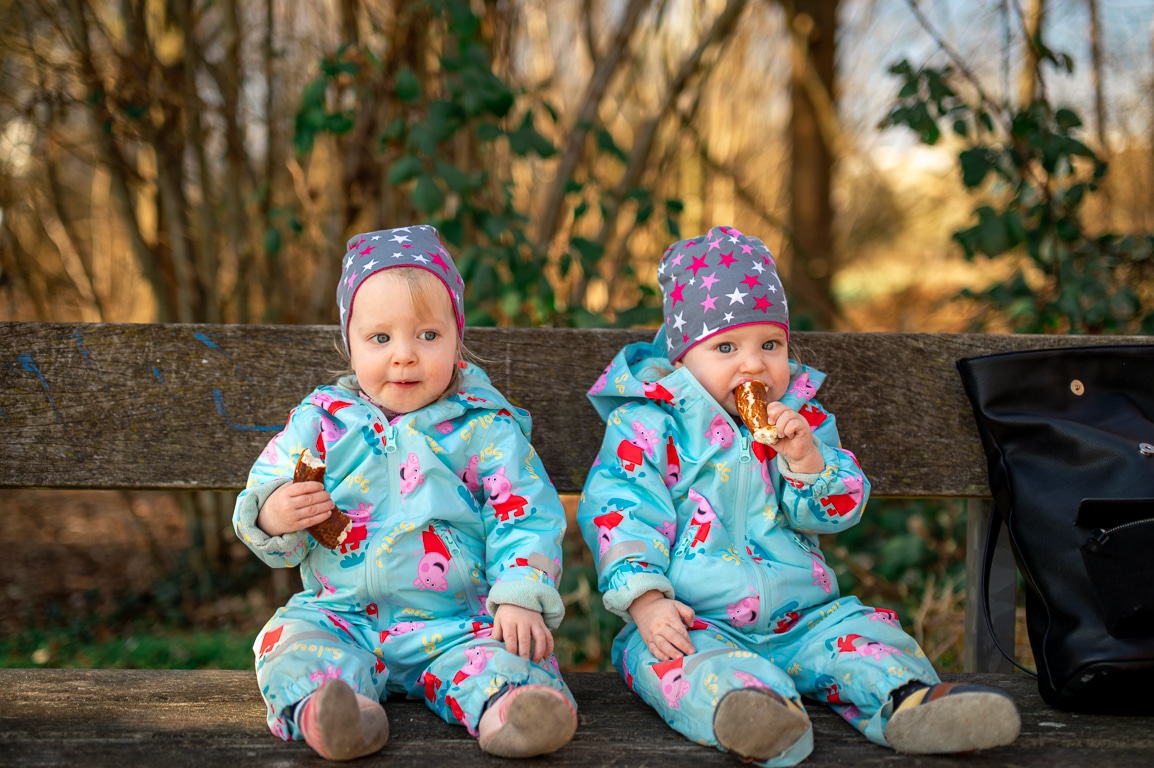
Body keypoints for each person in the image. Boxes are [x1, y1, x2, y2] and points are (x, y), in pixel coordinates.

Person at [576, 225, 1020, 766]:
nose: (753, 364)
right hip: (694, 623)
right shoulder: (648, 425)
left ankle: (911, 703)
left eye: (771, 345)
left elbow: (836, 513)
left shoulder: (803, 421)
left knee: (866, 636)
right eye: (725, 347)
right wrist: (645, 601)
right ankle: (757, 715)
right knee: (672, 665)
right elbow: (620, 512)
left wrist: (807, 462)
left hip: (807, 617)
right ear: (680, 358)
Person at [234, 225, 577, 761]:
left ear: (456, 338)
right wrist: (276, 515)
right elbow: (265, 500)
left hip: (458, 624)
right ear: (349, 344)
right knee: (289, 642)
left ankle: (514, 711)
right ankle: (334, 712)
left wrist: (519, 597)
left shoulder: (484, 426)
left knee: (508, 657)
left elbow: (526, 513)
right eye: (379, 338)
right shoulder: (320, 422)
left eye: (427, 336)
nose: (404, 356)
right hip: (341, 615)